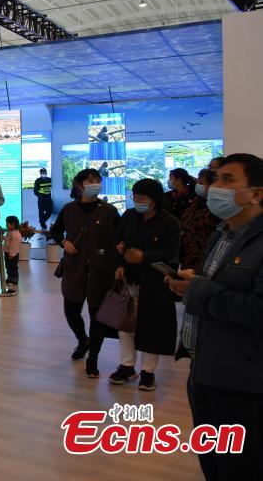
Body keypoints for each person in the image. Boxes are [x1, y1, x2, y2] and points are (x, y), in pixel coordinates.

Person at [166, 153, 263, 480]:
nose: (215, 187)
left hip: (241, 381)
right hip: (203, 369)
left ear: (256, 193)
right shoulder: (221, 233)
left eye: (227, 180)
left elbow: (256, 309)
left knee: (240, 468)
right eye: (215, 178)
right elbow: (215, 287)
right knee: (213, 465)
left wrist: (197, 290)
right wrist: (189, 284)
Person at [110, 178, 180, 391]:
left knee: (151, 326)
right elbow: (118, 242)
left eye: (142, 197)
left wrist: (144, 256)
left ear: (155, 198)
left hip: (155, 281)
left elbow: (170, 252)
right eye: (135, 196)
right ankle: (127, 366)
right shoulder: (129, 216)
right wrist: (119, 263)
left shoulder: (169, 222)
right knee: (125, 326)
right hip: (128, 280)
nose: (137, 200)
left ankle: (148, 372)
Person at [49, 168, 120, 377]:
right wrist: (64, 242)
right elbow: (55, 231)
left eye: (98, 180)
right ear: (79, 185)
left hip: (101, 271)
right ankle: (83, 340)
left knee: (98, 317)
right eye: (90, 180)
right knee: (71, 312)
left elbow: (119, 238)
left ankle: (93, 359)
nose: (95, 184)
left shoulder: (109, 211)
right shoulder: (69, 209)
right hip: (75, 269)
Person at [179, 168, 220, 271]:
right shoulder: (195, 201)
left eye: (201, 183)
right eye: (198, 182)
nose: (198, 186)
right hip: (187, 255)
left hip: (205, 258)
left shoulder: (217, 206)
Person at [3, 215, 22, 286]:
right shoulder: (10, 232)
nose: (6, 225)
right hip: (8, 253)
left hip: (12, 254)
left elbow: (14, 245)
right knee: (8, 266)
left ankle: (14, 280)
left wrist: (12, 254)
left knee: (12, 267)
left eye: (7, 223)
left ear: (13, 224)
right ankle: (10, 278)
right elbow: (7, 240)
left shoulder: (15, 234)